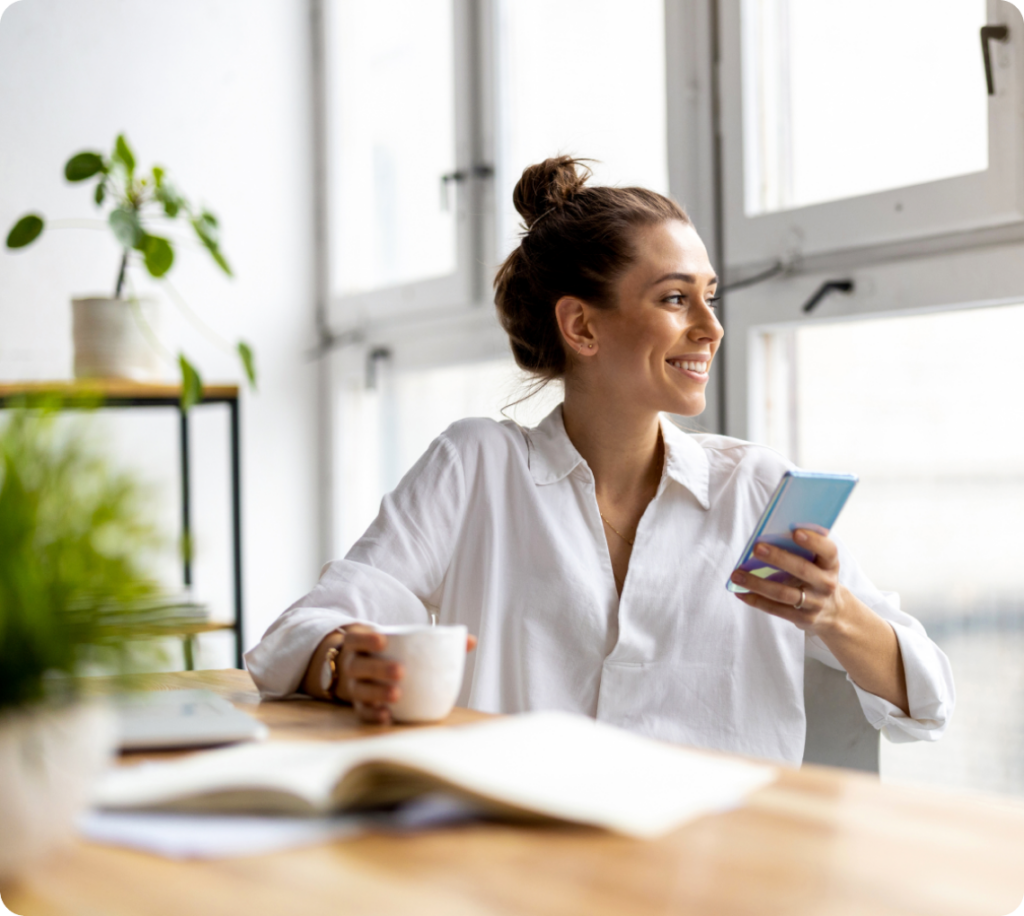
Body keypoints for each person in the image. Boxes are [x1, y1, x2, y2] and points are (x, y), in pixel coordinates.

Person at [245, 157, 954, 765]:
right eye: (676, 299)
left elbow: (927, 694)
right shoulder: (477, 467)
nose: (711, 327)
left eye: (709, 297)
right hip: (522, 863)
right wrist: (345, 663)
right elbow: (298, 635)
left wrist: (834, 614)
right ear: (581, 324)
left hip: (718, 872)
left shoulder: (757, 490)